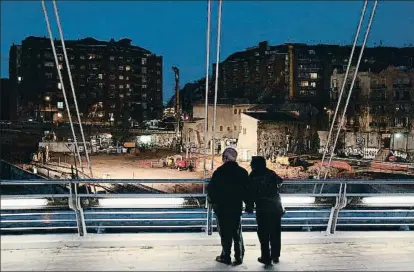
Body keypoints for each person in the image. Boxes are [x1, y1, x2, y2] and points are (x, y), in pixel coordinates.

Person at [207, 147, 249, 266]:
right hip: (236, 207)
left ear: (225, 157)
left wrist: (213, 202)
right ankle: (239, 256)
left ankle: (226, 256)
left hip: (222, 208)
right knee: (236, 232)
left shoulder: (219, 172)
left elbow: (211, 190)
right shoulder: (242, 172)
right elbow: (247, 191)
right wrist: (249, 204)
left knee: (225, 233)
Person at [247, 156, 284, 266]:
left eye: (252, 163)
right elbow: (280, 181)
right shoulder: (271, 173)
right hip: (275, 207)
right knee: (275, 232)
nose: (250, 165)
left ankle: (266, 257)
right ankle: (275, 255)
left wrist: (249, 206)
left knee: (263, 233)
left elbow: (250, 192)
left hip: (262, 207)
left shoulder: (253, 175)